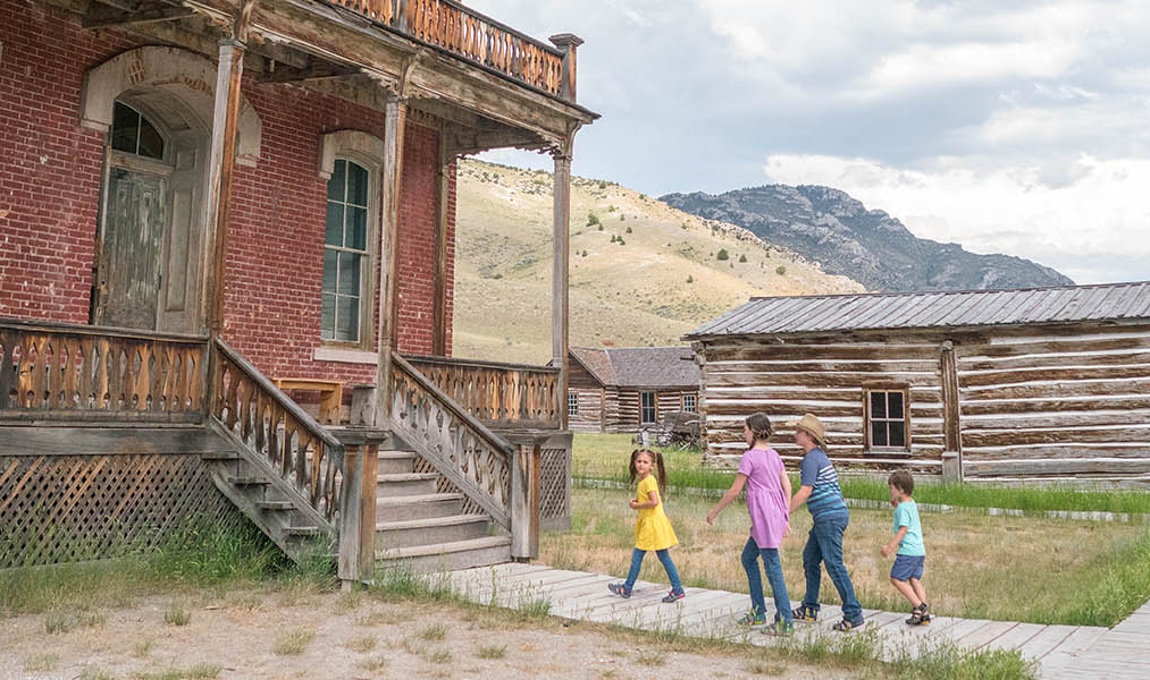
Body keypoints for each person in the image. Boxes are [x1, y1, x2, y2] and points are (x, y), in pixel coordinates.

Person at [706, 413, 794, 636]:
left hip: (764, 515)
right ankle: (758, 611)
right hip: (773, 513)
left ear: (753, 431)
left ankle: (785, 620)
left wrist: (714, 511)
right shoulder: (774, 455)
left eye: (745, 430)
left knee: (773, 566)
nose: (744, 435)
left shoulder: (749, 457)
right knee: (748, 558)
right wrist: (785, 514)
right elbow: (787, 485)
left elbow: (735, 490)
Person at [786, 413, 865, 632]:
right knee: (810, 559)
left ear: (808, 436)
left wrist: (783, 514)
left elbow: (804, 491)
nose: (795, 435)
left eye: (798, 432)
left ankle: (853, 612)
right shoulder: (818, 456)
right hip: (828, 516)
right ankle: (810, 607)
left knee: (833, 563)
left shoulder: (811, 459)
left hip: (829, 517)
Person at [607, 449, 686, 603]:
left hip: (651, 525)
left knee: (638, 557)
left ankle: (627, 588)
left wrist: (637, 506)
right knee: (663, 557)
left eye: (645, 462)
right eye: (639, 461)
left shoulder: (648, 481)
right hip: (652, 524)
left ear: (652, 465)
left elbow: (654, 501)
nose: (641, 464)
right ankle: (677, 588)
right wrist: (637, 501)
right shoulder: (645, 481)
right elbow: (649, 499)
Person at [881, 470, 930, 625]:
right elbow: (907, 513)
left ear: (900, 489)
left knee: (896, 578)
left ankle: (919, 606)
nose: (891, 491)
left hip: (908, 551)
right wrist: (897, 504)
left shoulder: (902, 509)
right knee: (914, 579)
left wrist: (890, 546)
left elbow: (903, 529)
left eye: (892, 489)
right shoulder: (911, 503)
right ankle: (923, 614)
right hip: (919, 550)